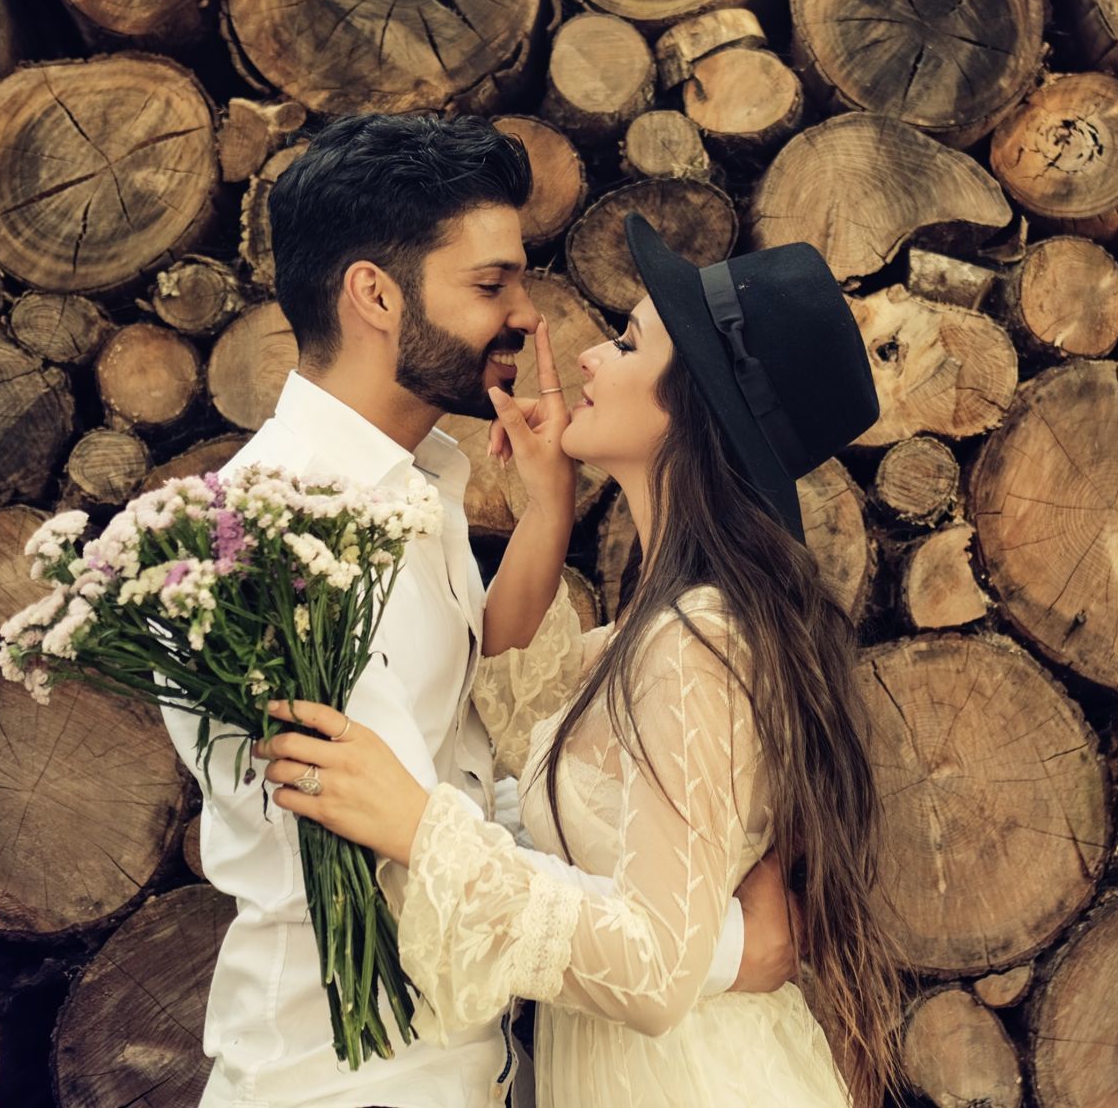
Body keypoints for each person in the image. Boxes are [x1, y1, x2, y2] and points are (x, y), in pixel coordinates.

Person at [163, 115, 797, 1108]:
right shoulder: (272, 538)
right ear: (375, 294)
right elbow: (395, 834)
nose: (527, 319)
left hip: (471, 1070)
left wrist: (546, 516)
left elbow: (456, 748)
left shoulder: (410, 492)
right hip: (348, 1083)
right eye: (489, 283)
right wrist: (726, 947)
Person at [254, 214, 905, 1106]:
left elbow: (654, 962)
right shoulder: (650, 628)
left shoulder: (700, 642)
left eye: (629, 343)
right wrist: (548, 502)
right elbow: (507, 688)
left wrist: (417, 829)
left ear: (694, 404)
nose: (589, 355)